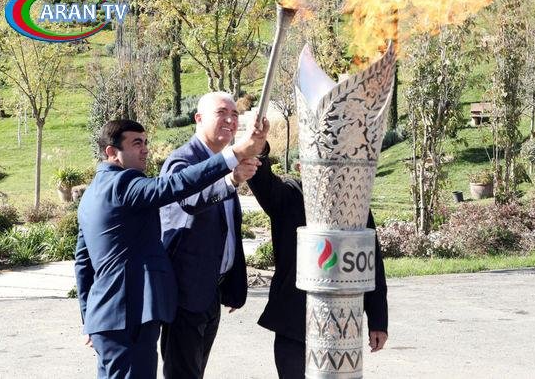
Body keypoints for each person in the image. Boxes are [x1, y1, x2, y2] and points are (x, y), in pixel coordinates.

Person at [75, 118, 268, 379]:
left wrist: (89, 318)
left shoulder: (89, 195)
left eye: (146, 142)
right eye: (136, 143)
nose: (145, 149)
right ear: (112, 152)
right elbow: (174, 185)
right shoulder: (124, 184)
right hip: (131, 316)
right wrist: (234, 154)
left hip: (106, 319)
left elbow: (83, 263)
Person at [247, 142, 389, 379]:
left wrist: (378, 321)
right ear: (302, 168)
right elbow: (262, 181)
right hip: (294, 327)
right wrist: (259, 147)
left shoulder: (355, 207)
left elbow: (371, 264)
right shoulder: (288, 195)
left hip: (341, 329)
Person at [159, 92, 260, 379]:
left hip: (211, 292)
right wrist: (232, 179)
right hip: (185, 294)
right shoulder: (181, 161)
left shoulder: (223, 161)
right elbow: (191, 200)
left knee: (196, 371)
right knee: (182, 373)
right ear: (199, 119)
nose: (230, 119)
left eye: (234, 114)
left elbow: (225, 229)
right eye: (221, 113)